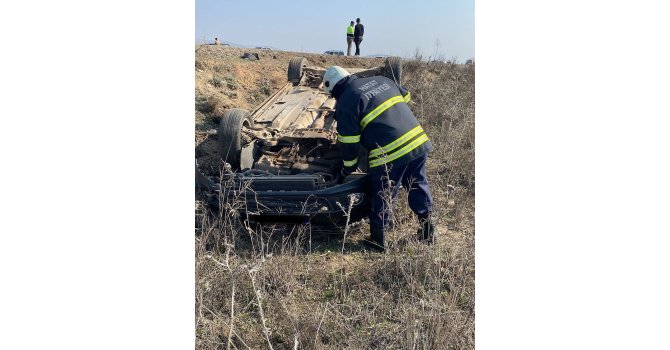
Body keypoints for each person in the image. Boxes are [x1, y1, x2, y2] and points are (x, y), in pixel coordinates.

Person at [322, 66, 435, 251]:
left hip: (390, 153)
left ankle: (378, 240)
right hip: (417, 142)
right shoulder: (383, 80)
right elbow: (406, 97)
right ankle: (429, 231)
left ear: (333, 89)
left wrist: (347, 168)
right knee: (418, 185)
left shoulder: (347, 100)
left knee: (383, 193)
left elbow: (349, 142)